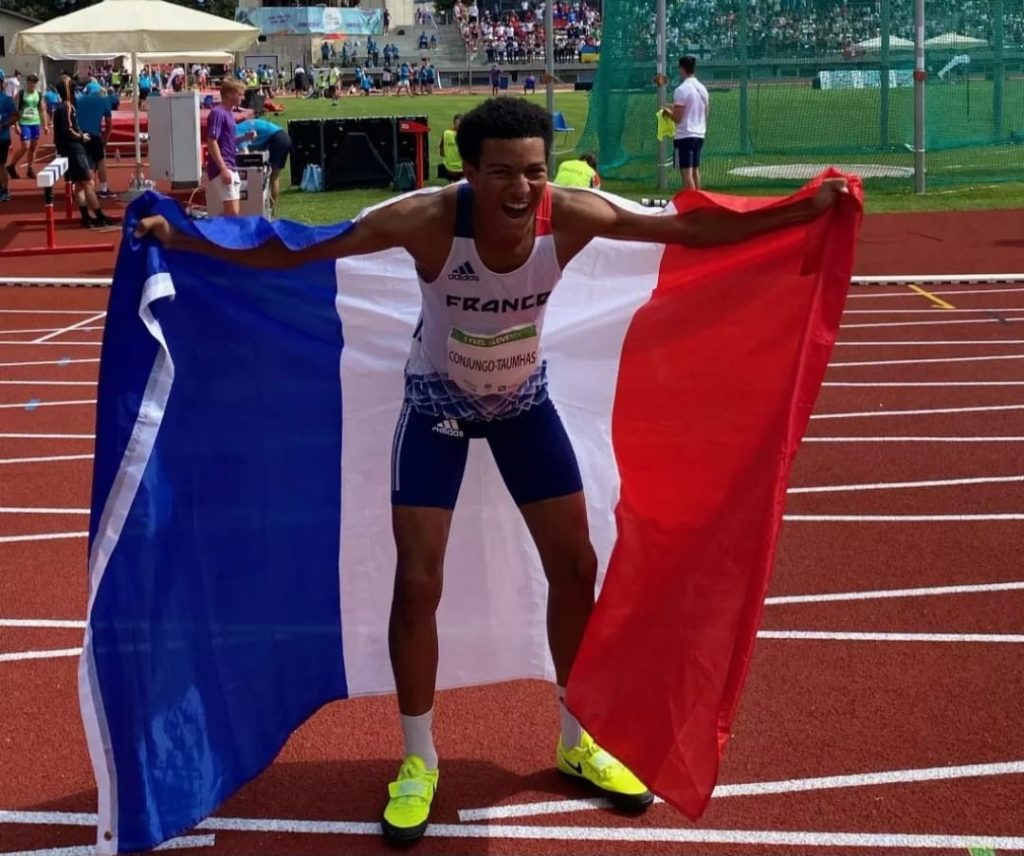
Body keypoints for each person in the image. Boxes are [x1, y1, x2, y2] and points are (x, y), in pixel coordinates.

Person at [134, 97, 849, 847]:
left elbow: (687, 227)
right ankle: (417, 761)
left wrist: (798, 213)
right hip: (436, 409)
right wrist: (187, 237)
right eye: (502, 172)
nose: (520, 190)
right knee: (418, 581)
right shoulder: (427, 220)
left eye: (534, 173)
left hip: (521, 406)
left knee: (576, 567)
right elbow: (297, 247)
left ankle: (579, 740)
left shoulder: (570, 215)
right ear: (467, 169)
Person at [52, 77, 115, 228]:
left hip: (67, 148)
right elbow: (68, 128)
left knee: (79, 183)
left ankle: (85, 217)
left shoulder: (65, 106)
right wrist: (81, 136)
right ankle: (99, 215)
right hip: (74, 147)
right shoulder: (68, 106)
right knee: (88, 182)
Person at [205, 79, 250, 217]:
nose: (243, 98)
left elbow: (227, 141)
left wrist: (244, 138)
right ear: (230, 94)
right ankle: (210, 232)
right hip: (222, 167)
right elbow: (212, 141)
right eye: (240, 94)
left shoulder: (229, 114)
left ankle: (214, 233)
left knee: (233, 212)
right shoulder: (218, 113)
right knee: (231, 211)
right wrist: (223, 168)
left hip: (231, 165)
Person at [664, 55, 709, 191]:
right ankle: (699, 202)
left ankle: (692, 204)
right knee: (695, 171)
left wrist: (667, 113)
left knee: (686, 173)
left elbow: (677, 118)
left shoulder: (681, 89)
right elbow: (704, 110)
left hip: (685, 136)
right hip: (699, 133)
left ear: (682, 69)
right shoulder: (702, 88)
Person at [237, 117, 290, 207]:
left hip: (277, 139)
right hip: (281, 136)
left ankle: (269, 209)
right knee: (272, 177)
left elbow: (244, 155)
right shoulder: (240, 127)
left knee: (273, 177)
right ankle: (269, 210)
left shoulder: (236, 131)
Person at [76, 81, 116, 198]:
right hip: (94, 135)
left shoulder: (79, 100)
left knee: (85, 162)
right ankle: (103, 188)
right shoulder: (104, 100)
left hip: (79, 135)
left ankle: (85, 188)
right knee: (100, 160)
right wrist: (104, 141)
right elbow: (109, 125)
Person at [6, 73, 48, 180]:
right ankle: (11, 165)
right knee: (26, 145)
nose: (32, 85)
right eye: (30, 83)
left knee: (34, 147)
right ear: (27, 83)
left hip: (35, 122)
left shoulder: (38, 94)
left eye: (34, 83)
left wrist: (45, 125)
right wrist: (16, 125)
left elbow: (42, 110)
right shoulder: (21, 94)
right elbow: (15, 110)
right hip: (24, 122)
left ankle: (30, 168)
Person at [0, 82, 16, 202]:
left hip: (2, 138)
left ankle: (4, 190)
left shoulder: (5, 100)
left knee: (0, 165)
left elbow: (15, 116)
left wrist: (4, 124)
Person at [437, 113, 463, 182]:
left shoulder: (446, 133)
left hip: (449, 168)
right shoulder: (468, 135)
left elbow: (441, 153)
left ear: (454, 123)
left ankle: (451, 182)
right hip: (463, 168)